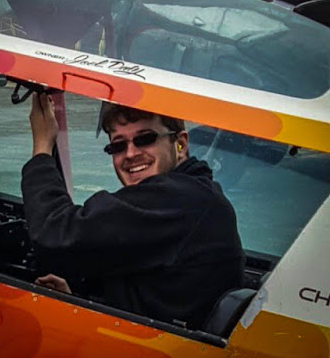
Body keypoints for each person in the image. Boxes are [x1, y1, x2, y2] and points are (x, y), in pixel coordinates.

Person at [21, 93, 245, 330]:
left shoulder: (179, 199)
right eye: (118, 145)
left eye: (145, 139)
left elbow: (54, 232)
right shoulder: (199, 196)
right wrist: (77, 297)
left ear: (180, 144)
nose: (130, 154)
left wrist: (42, 147)